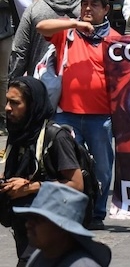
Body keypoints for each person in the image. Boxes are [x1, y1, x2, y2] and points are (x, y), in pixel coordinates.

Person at [35, 0, 117, 228]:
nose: (88, 7)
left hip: (101, 117)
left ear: (106, 9)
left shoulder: (116, 40)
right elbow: (41, 26)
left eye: (94, 4)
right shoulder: (68, 32)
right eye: (84, 3)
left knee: (101, 169)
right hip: (66, 116)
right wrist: (74, 24)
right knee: (68, 168)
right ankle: (70, 213)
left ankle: (96, 214)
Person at [1, 77, 85, 261]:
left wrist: (33, 187)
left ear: (32, 106)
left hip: (52, 228)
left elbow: (77, 184)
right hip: (25, 226)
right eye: (7, 101)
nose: (8, 107)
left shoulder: (56, 136)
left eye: (15, 103)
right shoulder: (19, 133)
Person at [9, 0, 79, 79]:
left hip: (39, 84)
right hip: (75, 83)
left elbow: (20, 52)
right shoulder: (85, 11)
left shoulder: (34, 10)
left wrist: (13, 82)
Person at [12, 182, 111, 267]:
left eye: (38, 219)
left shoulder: (80, 265)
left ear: (62, 228)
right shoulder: (39, 256)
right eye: (29, 218)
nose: (28, 224)